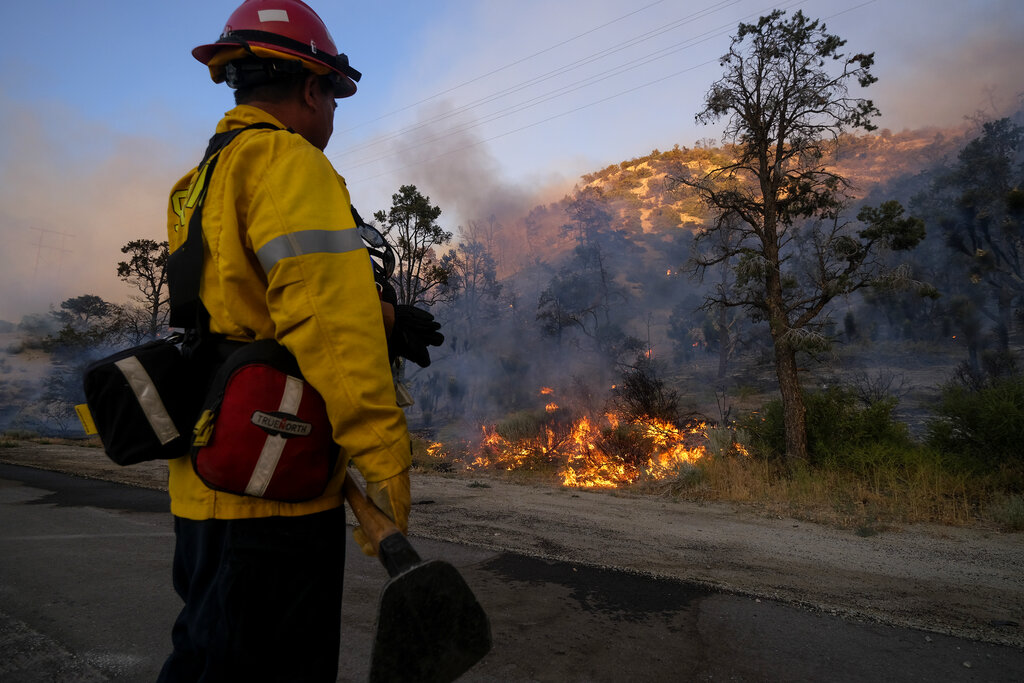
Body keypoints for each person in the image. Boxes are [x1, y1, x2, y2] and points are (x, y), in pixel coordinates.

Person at [157, 1, 411, 681]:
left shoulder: (201, 179)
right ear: (310, 88)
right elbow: (328, 328)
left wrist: (388, 319)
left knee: (206, 658)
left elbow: (245, 311)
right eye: (334, 96)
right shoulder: (286, 161)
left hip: (209, 478)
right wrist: (385, 459)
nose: (333, 113)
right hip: (274, 488)